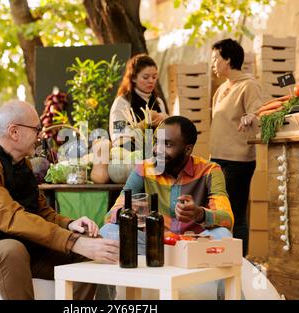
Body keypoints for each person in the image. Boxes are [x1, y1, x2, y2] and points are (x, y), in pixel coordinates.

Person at [0, 100, 119, 300]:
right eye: (37, 129)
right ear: (14, 132)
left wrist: (71, 225)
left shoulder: (23, 165)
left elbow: (41, 212)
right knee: (11, 250)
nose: (40, 136)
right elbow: (12, 218)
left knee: (88, 250)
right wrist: (72, 241)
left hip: (24, 247)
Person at [100, 116, 234, 253]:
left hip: (193, 245)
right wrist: (124, 212)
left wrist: (199, 214)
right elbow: (108, 217)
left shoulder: (210, 171)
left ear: (188, 149)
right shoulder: (143, 169)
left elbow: (227, 220)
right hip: (152, 245)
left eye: (167, 144)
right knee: (108, 231)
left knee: (223, 235)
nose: (157, 150)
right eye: (156, 142)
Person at [209, 38, 264, 256]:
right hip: (217, 159)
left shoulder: (248, 85)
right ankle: (223, 257)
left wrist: (251, 117)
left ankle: (240, 263)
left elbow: (259, 112)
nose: (213, 64)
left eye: (216, 59)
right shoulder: (221, 89)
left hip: (238, 161)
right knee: (218, 211)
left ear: (228, 60)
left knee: (235, 213)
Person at [109, 53, 168, 149]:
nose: (151, 81)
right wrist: (142, 125)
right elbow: (117, 135)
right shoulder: (122, 103)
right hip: (131, 156)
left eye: (154, 77)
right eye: (145, 77)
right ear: (133, 78)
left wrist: (166, 120)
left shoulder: (159, 102)